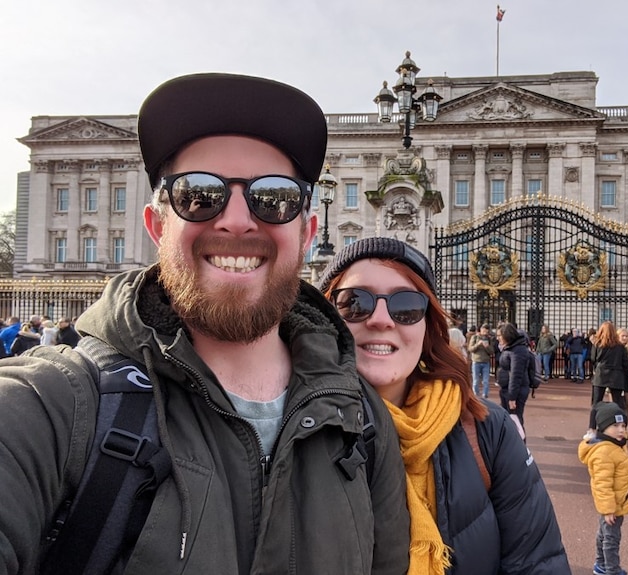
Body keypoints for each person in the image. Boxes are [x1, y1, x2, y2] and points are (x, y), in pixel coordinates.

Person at [0, 73, 410, 574]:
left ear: (307, 234)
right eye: (199, 194)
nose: (236, 221)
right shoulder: (53, 406)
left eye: (274, 198)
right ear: (156, 226)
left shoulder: (364, 420)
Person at [318, 237, 571, 574]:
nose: (381, 320)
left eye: (406, 306)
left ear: (428, 327)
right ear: (327, 318)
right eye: (355, 302)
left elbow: (539, 564)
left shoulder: (487, 430)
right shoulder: (288, 427)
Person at [578, 402, 628, 575]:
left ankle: (601, 564)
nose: (621, 430)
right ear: (603, 428)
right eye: (615, 426)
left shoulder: (615, 444)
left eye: (623, 425)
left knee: (604, 534)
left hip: (618, 500)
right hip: (613, 505)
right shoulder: (604, 451)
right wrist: (608, 509)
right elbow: (602, 484)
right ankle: (611, 569)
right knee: (611, 538)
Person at [587, 321, 628, 436]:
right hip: (616, 375)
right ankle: (619, 429)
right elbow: (626, 363)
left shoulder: (597, 344)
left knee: (596, 403)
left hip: (601, 374)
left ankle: (592, 429)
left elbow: (593, 358)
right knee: (617, 404)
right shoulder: (620, 347)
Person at [495, 322, 535, 430]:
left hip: (515, 391)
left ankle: (520, 445)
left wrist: (512, 397)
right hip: (507, 388)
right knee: (509, 420)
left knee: (515, 421)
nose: (497, 338)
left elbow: (516, 375)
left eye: (499, 335)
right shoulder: (510, 348)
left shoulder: (518, 351)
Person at [468, 323, 493, 399]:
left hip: (486, 362)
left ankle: (485, 395)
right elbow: (470, 349)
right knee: (476, 380)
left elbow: (491, 351)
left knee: (485, 381)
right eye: (484, 329)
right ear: (480, 329)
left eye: (487, 329)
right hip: (476, 361)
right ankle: (476, 395)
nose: (485, 331)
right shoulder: (475, 337)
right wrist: (478, 344)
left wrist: (487, 347)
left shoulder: (489, 339)